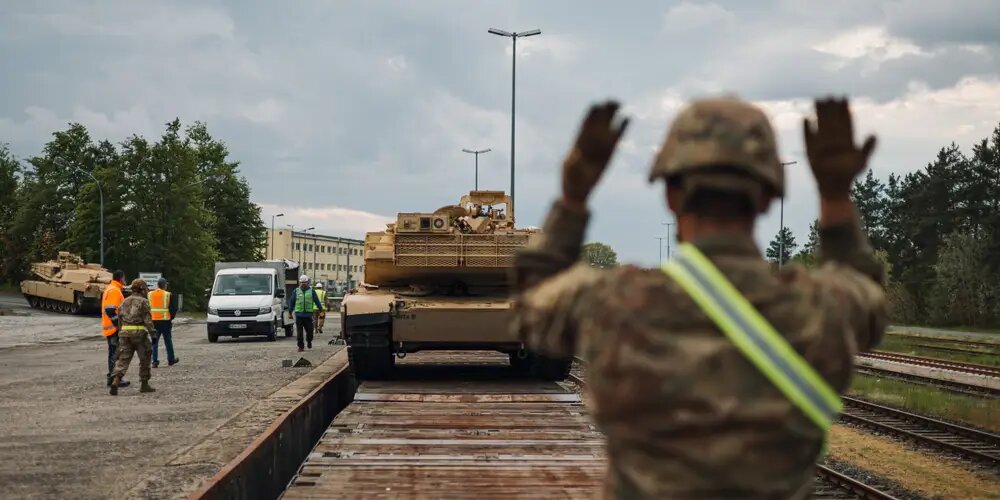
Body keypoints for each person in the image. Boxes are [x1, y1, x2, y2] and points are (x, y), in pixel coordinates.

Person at [511, 98, 886, 498]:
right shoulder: (821, 310)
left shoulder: (613, 305)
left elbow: (532, 303)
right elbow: (866, 294)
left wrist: (573, 197)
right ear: (766, 197)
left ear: (671, 195)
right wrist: (834, 196)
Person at [110, 279, 157, 395]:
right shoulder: (143, 302)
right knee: (145, 357)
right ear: (141, 289)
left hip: (125, 335)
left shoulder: (124, 302)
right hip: (139, 335)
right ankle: (144, 384)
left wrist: (120, 334)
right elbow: (148, 321)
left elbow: (119, 320)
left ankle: (115, 381)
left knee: (123, 359)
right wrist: (153, 334)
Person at [100, 269, 130, 389]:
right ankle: (114, 379)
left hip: (110, 327)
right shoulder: (115, 291)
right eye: (124, 277)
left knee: (113, 353)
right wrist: (118, 326)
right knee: (116, 354)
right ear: (121, 277)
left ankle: (112, 378)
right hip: (114, 329)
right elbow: (110, 310)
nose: (125, 279)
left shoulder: (110, 288)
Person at [287, 274, 323, 352]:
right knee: (299, 333)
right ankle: (301, 347)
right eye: (302, 282)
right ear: (300, 283)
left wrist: (321, 310)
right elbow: (292, 302)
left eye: (305, 282)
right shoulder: (296, 291)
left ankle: (309, 341)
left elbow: (317, 301)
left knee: (310, 331)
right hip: (299, 315)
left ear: (308, 282)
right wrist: (290, 312)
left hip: (308, 315)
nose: (303, 284)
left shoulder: (311, 291)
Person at [149, 277, 179, 368]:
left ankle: (154, 361)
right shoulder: (168, 294)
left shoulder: (150, 294)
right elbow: (173, 308)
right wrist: (171, 317)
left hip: (154, 321)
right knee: (168, 341)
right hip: (165, 321)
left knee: (154, 342)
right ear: (165, 285)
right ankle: (171, 359)